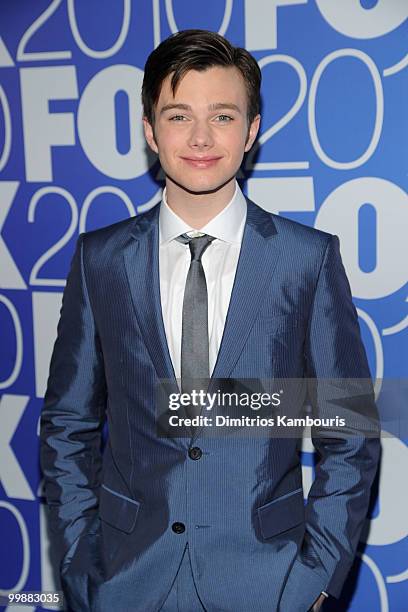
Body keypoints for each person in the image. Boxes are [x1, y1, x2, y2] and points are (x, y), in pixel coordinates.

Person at [40, 29, 380, 612]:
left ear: (250, 132)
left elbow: (349, 433)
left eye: (222, 116)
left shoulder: (307, 259)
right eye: (178, 116)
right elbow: (68, 425)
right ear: (150, 130)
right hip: (125, 583)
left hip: (270, 586)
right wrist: (79, 568)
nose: (200, 137)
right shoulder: (101, 259)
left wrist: (315, 582)